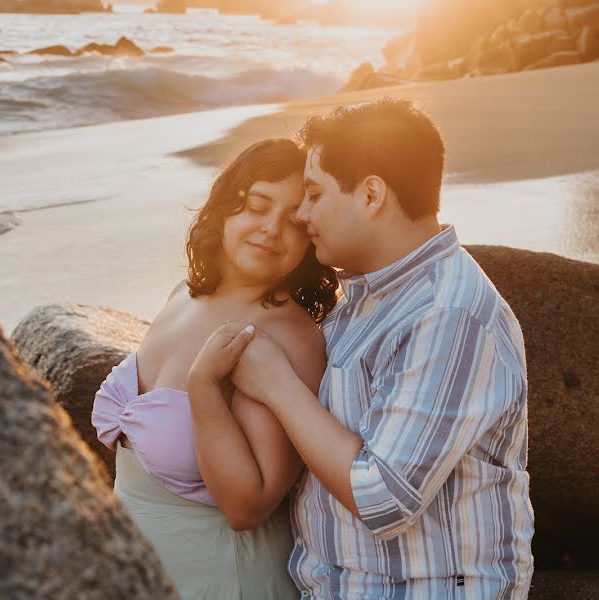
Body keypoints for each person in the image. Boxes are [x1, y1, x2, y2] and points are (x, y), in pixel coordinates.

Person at [189, 98, 535, 599]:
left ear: (371, 194)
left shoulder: (447, 314)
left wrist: (277, 384)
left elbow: (384, 496)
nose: (302, 215)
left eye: (313, 194)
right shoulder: (363, 295)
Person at [92, 138, 339, 599]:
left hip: (222, 577)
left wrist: (203, 385)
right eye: (256, 206)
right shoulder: (182, 295)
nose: (270, 229)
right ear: (225, 208)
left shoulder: (286, 337)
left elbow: (251, 505)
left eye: (293, 221)